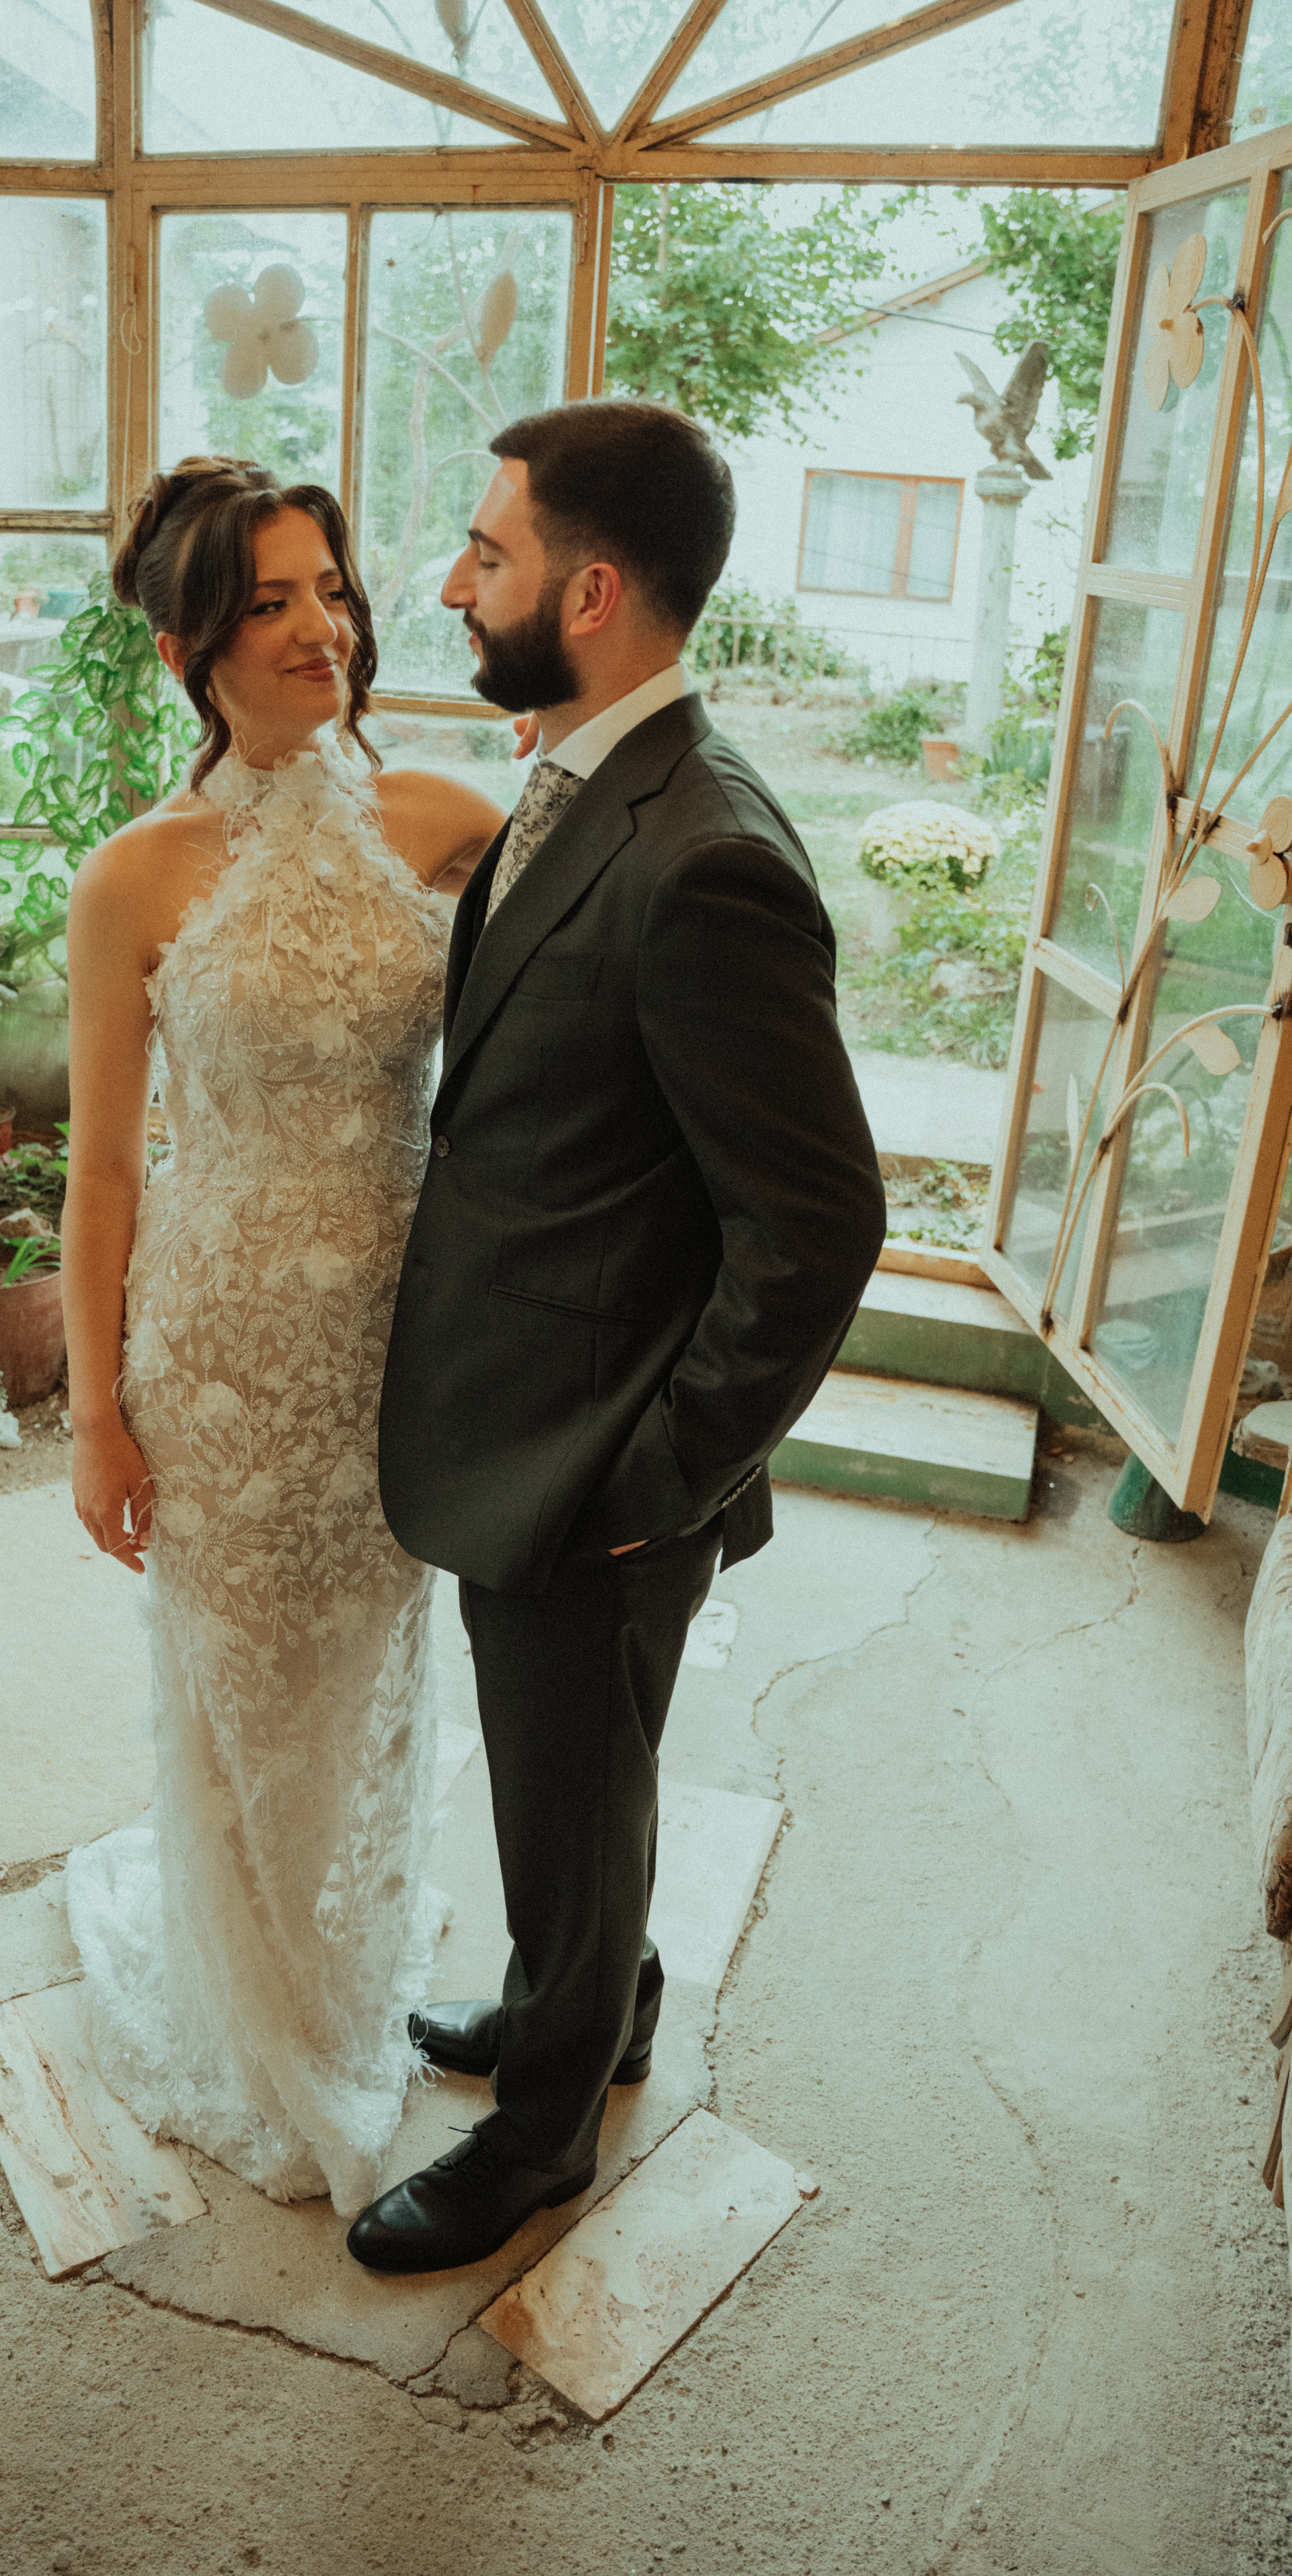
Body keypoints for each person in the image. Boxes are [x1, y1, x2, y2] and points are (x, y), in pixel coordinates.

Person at [353, 398, 888, 2274]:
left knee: (571, 1774)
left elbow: (819, 1226)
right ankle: (593, 1996)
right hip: (533, 1408)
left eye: (487, 551)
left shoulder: (706, 853)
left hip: (598, 1455)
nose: (450, 582)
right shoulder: (590, 778)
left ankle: (543, 2136)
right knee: (572, 1776)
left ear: (587, 593)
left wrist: (663, 1476)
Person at [61, 455, 504, 2219]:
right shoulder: (134, 878)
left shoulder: (448, 823)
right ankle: (266, 2021)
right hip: (222, 1346)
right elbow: (105, 1172)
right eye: (269, 603)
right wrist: (98, 1418)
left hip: (404, 1339)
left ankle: (348, 1954)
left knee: (366, 1671)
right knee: (244, 1685)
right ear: (189, 647)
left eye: (331, 588)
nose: (323, 628)